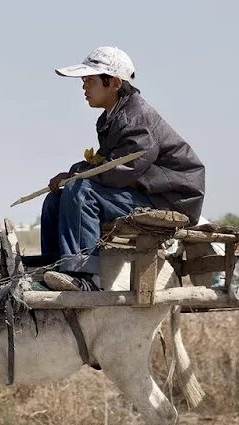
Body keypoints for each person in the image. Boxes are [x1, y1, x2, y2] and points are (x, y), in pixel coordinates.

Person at [41, 46, 206, 291]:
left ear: (115, 83)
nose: (83, 87)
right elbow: (107, 163)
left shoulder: (135, 118)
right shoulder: (112, 117)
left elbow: (122, 170)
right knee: (55, 199)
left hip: (169, 199)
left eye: (89, 81)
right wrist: (73, 173)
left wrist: (75, 175)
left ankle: (86, 278)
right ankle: (56, 267)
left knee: (81, 191)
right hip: (142, 191)